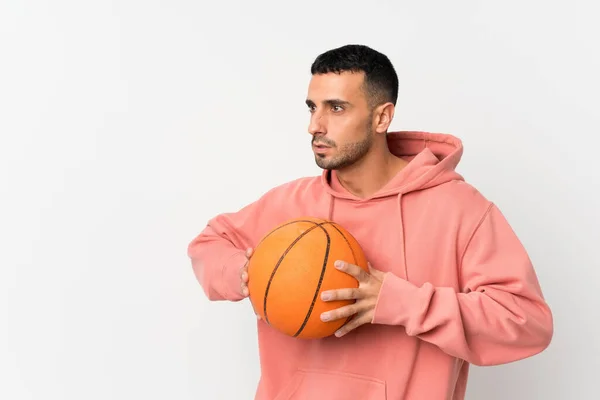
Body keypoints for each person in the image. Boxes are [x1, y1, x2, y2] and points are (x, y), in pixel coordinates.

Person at [187, 44, 553, 400]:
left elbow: (526, 322)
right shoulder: (289, 204)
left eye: (336, 108)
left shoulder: (459, 209)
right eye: (312, 107)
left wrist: (403, 303)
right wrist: (244, 272)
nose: (315, 125)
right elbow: (209, 243)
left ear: (382, 117)